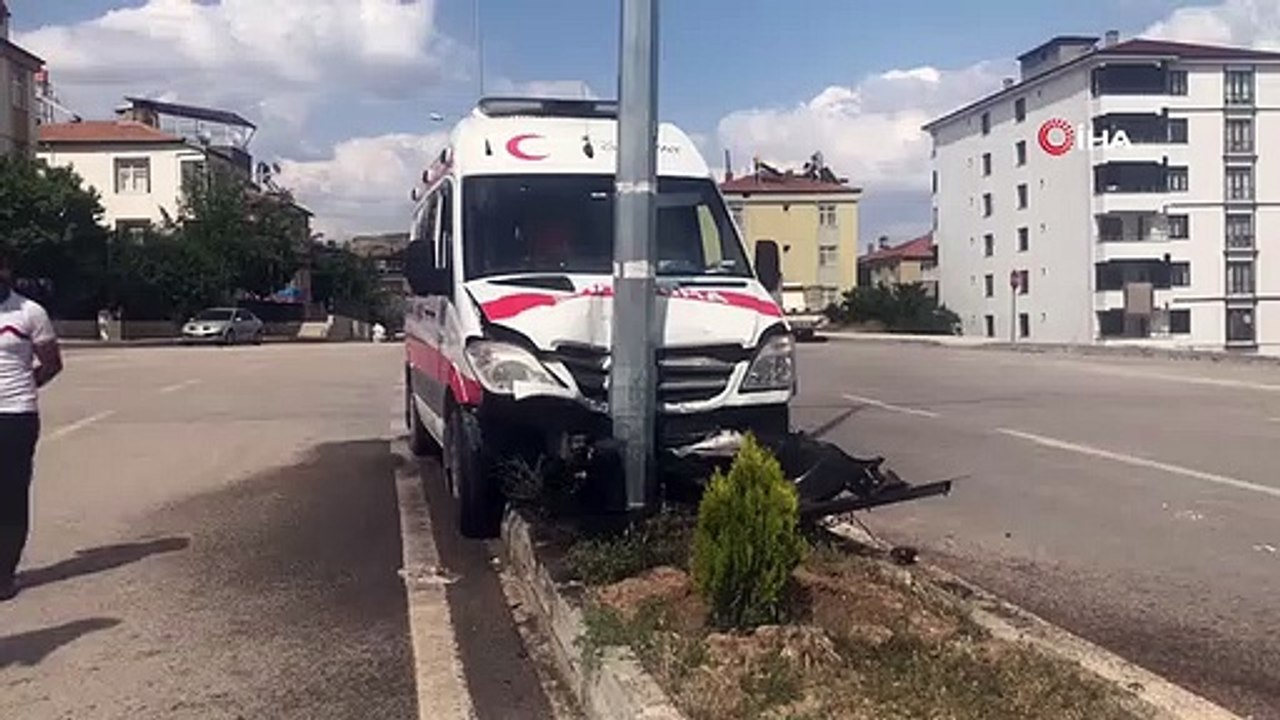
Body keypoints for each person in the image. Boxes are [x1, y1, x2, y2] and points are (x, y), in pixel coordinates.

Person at [0, 247, 61, 601]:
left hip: (16, 416)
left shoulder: (29, 312)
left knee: (10, 496)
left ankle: (4, 574)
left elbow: (52, 363)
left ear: (7, 270)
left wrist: (23, 387)